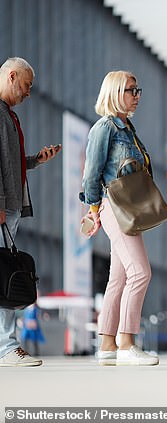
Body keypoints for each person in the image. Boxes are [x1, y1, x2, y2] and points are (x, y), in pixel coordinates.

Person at [80, 70, 158, 366]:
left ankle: (107, 345)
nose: (136, 96)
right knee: (141, 272)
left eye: (138, 91)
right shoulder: (105, 128)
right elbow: (92, 172)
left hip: (129, 207)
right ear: (114, 92)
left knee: (119, 277)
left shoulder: (127, 128)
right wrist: (93, 208)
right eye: (130, 90)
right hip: (114, 205)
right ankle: (127, 342)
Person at [0, 57, 61, 367]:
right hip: (3, 206)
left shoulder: (7, 115)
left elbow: (9, 162)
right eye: (26, 85)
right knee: (4, 276)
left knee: (4, 275)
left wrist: (36, 160)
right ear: (12, 76)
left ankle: (6, 347)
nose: (28, 92)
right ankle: (6, 348)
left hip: (9, 205)